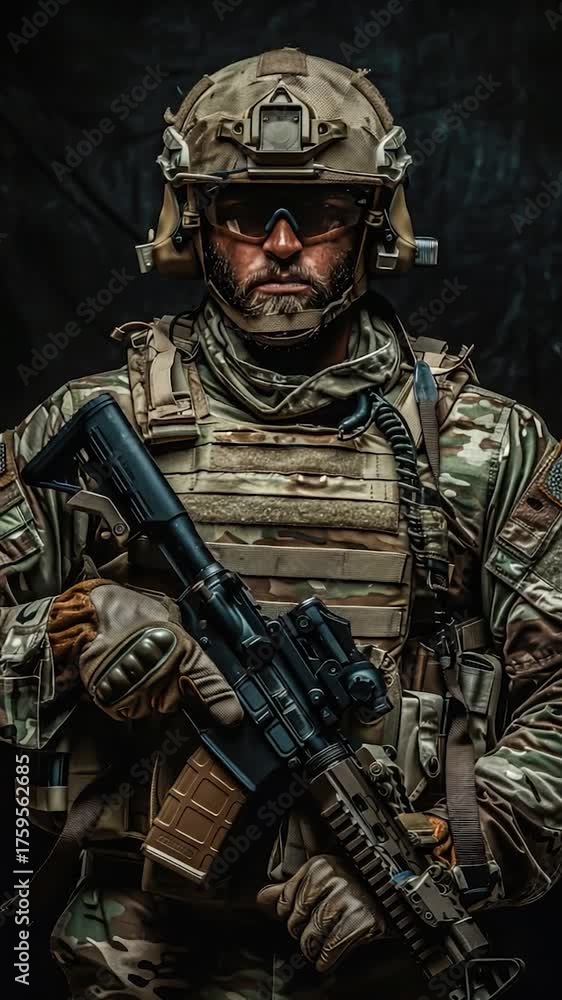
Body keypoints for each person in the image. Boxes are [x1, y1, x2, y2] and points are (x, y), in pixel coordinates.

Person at [1, 47, 561, 1000]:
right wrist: (65, 632)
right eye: (247, 210)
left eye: (324, 211)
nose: (285, 244)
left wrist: (440, 853)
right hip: (134, 962)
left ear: (373, 224)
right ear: (195, 224)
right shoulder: (94, 426)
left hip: (376, 964)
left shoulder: (486, 445)